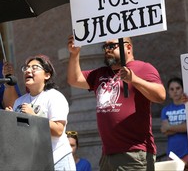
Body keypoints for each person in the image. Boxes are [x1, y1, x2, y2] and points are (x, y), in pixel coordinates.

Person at [67, 36, 166, 171]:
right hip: (107, 155)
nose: (107, 50)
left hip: (134, 153)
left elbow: (160, 96)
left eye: (112, 46)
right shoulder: (101, 73)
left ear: (128, 47)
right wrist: (74, 54)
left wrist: (135, 80)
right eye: (105, 47)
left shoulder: (143, 68)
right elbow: (74, 79)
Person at [6, 54, 76, 170]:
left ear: (47, 75)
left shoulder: (54, 97)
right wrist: (10, 119)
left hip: (57, 160)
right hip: (34, 162)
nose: (28, 70)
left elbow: (58, 130)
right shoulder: (19, 101)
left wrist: (34, 117)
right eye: (26, 68)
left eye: (34, 68)